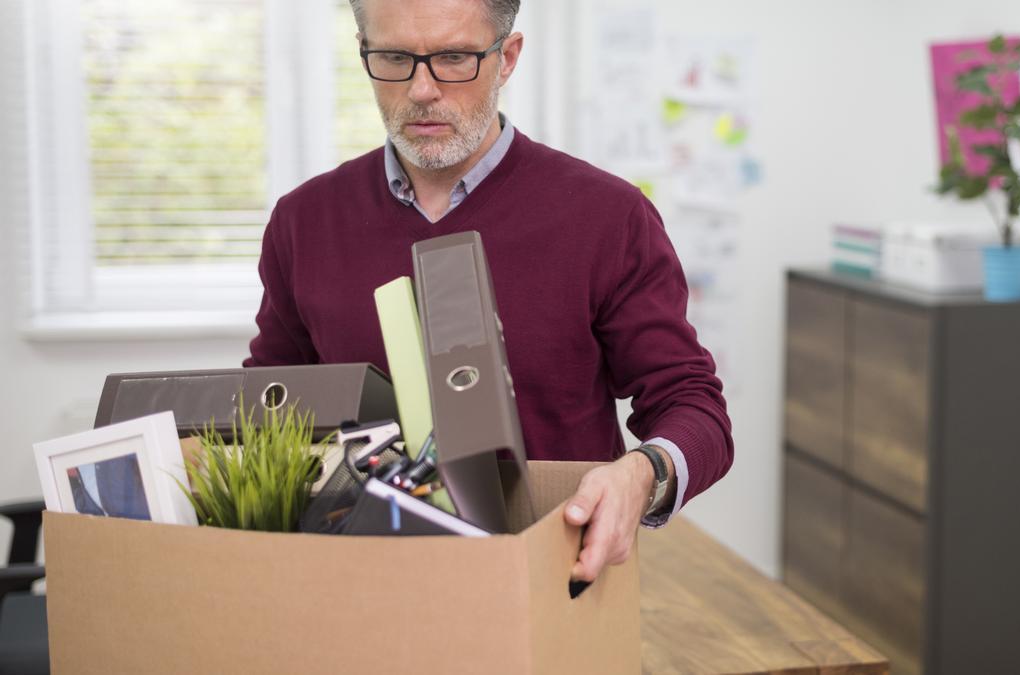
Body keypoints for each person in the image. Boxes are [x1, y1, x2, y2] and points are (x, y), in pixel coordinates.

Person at [244, 0, 733, 582]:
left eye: (454, 58)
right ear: (363, 53)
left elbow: (692, 404)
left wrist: (641, 476)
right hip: (355, 586)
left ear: (507, 58)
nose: (423, 90)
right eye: (396, 57)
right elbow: (267, 410)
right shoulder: (303, 221)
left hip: (553, 581)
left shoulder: (609, 217)